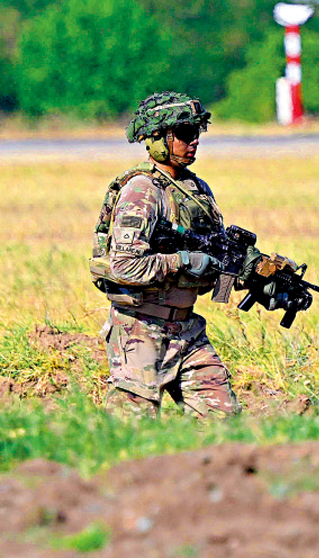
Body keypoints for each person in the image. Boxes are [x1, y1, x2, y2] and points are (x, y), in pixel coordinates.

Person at [89, 91, 241, 418]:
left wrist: (251, 274)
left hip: (187, 330)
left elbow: (217, 257)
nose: (194, 142)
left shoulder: (196, 191)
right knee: (131, 434)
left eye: (197, 134)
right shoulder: (142, 190)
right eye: (185, 134)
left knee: (223, 420)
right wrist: (182, 262)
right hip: (139, 330)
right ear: (157, 138)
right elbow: (124, 265)